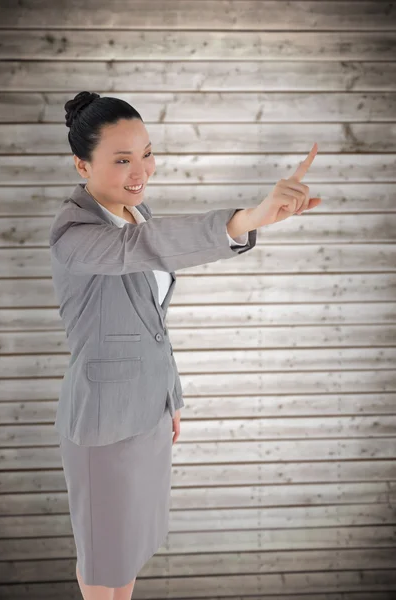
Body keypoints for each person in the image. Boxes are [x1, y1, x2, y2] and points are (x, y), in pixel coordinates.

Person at [50, 90, 321, 599]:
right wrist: (243, 220)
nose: (142, 171)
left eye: (147, 153)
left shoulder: (136, 212)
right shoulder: (74, 232)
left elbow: (153, 324)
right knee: (103, 555)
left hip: (148, 413)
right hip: (104, 424)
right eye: (123, 160)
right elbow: (141, 250)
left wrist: (170, 397)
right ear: (81, 165)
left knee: (128, 549)